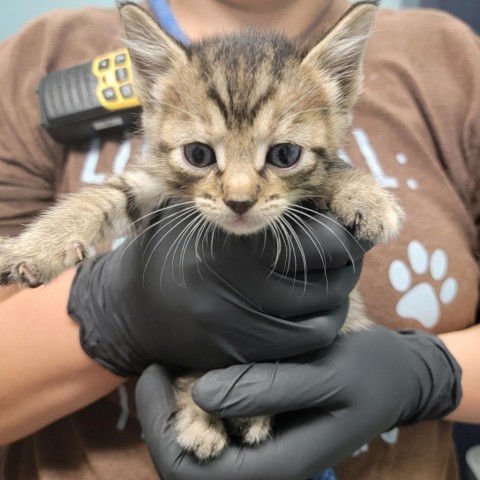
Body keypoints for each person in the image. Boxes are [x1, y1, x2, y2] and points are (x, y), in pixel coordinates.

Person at [0, 0, 478, 479]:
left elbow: (329, 175)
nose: (240, 192)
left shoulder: (449, 54)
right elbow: (128, 191)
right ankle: (208, 394)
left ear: (344, 85)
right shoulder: (42, 55)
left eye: (283, 153)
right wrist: (109, 309)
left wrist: (426, 375)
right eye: (200, 154)